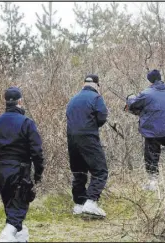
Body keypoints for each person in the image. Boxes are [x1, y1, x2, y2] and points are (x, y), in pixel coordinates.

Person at [0, 86, 44, 242]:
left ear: (5, 102)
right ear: (20, 102)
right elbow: (37, 152)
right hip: (20, 170)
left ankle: (20, 237)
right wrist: (38, 173)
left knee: (11, 206)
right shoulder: (27, 123)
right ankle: (6, 237)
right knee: (19, 207)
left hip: (1, 169)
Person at [66, 73, 109, 218]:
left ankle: (79, 204)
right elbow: (102, 117)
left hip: (71, 139)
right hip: (88, 137)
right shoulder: (96, 98)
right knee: (100, 171)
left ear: (83, 84)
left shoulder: (73, 99)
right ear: (97, 85)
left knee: (79, 172)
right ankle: (91, 202)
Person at [126, 69, 165, 191]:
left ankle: (153, 183)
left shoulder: (147, 93)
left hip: (152, 131)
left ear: (150, 80)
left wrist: (130, 98)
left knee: (151, 157)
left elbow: (133, 105)